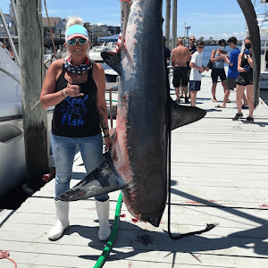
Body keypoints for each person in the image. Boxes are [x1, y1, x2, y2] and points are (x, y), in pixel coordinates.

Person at [40, 17, 113, 242]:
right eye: (73, 41)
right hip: (62, 136)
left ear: (89, 43)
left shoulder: (97, 70)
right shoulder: (57, 67)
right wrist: (63, 94)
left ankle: (103, 224)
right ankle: (61, 221)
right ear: (66, 44)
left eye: (82, 40)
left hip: (90, 135)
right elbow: (44, 102)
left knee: (98, 179)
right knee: (62, 178)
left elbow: (101, 105)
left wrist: (107, 134)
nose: (78, 44)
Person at [232, 37, 254, 123]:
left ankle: (250, 116)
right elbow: (238, 67)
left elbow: (252, 65)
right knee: (238, 97)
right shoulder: (241, 54)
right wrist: (244, 69)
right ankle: (239, 112)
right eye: (246, 43)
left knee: (249, 98)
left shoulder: (254, 54)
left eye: (249, 43)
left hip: (251, 77)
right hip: (242, 76)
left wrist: (248, 56)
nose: (247, 45)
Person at [217, 37, 240, 108]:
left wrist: (225, 57)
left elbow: (230, 63)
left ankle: (223, 103)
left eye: (229, 43)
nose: (229, 45)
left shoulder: (233, 52)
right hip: (237, 73)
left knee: (228, 89)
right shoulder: (238, 51)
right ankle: (245, 102)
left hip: (232, 73)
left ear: (232, 43)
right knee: (239, 89)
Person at [189, 41, 209, 106]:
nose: (201, 48)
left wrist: (204, 67)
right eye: (199, 47)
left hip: (198, 76)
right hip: (193, 76)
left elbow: (199, 64)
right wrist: (199, 68)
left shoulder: (201, 55)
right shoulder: (196, 54)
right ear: (197, 47)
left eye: (202, 47)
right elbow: (191, 64)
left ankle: (193, 104)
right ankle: (193, 105)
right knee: (193, 92)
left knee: (195, 91)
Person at [171, 38, 190, 103]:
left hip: (177, 67)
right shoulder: (187, 49)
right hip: (184, 67)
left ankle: (178, 97)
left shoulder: (174, 50)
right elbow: (188, 59)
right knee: (185, 83)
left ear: (177, 42)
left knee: (176, 84)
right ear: (182, 42)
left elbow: (172, 60)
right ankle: (185, 96)